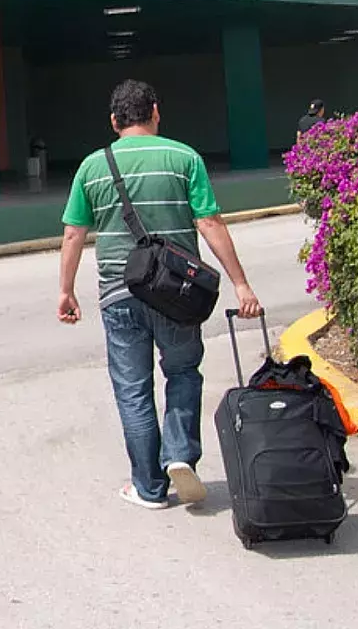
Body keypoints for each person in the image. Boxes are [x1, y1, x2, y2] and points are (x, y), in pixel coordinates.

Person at [57, 79, 264, 511]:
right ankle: (180, 455)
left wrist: (66, 291)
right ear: (155, 111)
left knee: (133, 389)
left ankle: (148, 487)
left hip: (119, 292)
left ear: (114, 121)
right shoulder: (183, 157)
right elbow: (209, 224)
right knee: (184, 373)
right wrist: (241, 283)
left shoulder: (93, 166)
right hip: (178, 294)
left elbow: (74, 232)